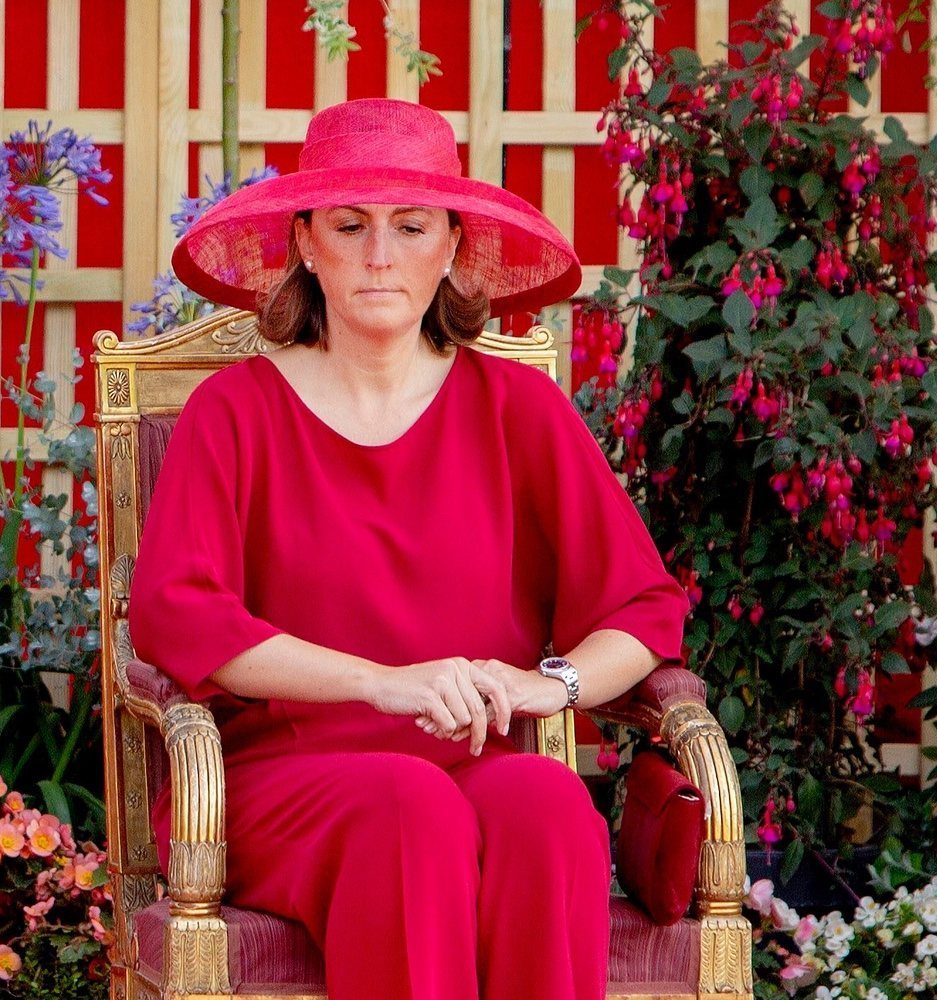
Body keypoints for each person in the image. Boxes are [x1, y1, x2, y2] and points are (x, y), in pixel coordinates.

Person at [134, 98, 688, 999]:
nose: (379, 255)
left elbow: (642, 605)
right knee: (408, 806)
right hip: (285, 778)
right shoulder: (233, 412)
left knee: (548, 804)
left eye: (410, 226)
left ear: (453, 246)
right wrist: (378, 681)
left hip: (476, 763)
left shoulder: (520, 411)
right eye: (350, 226)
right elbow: (178, 611)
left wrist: (548, 686)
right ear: (306, 242)